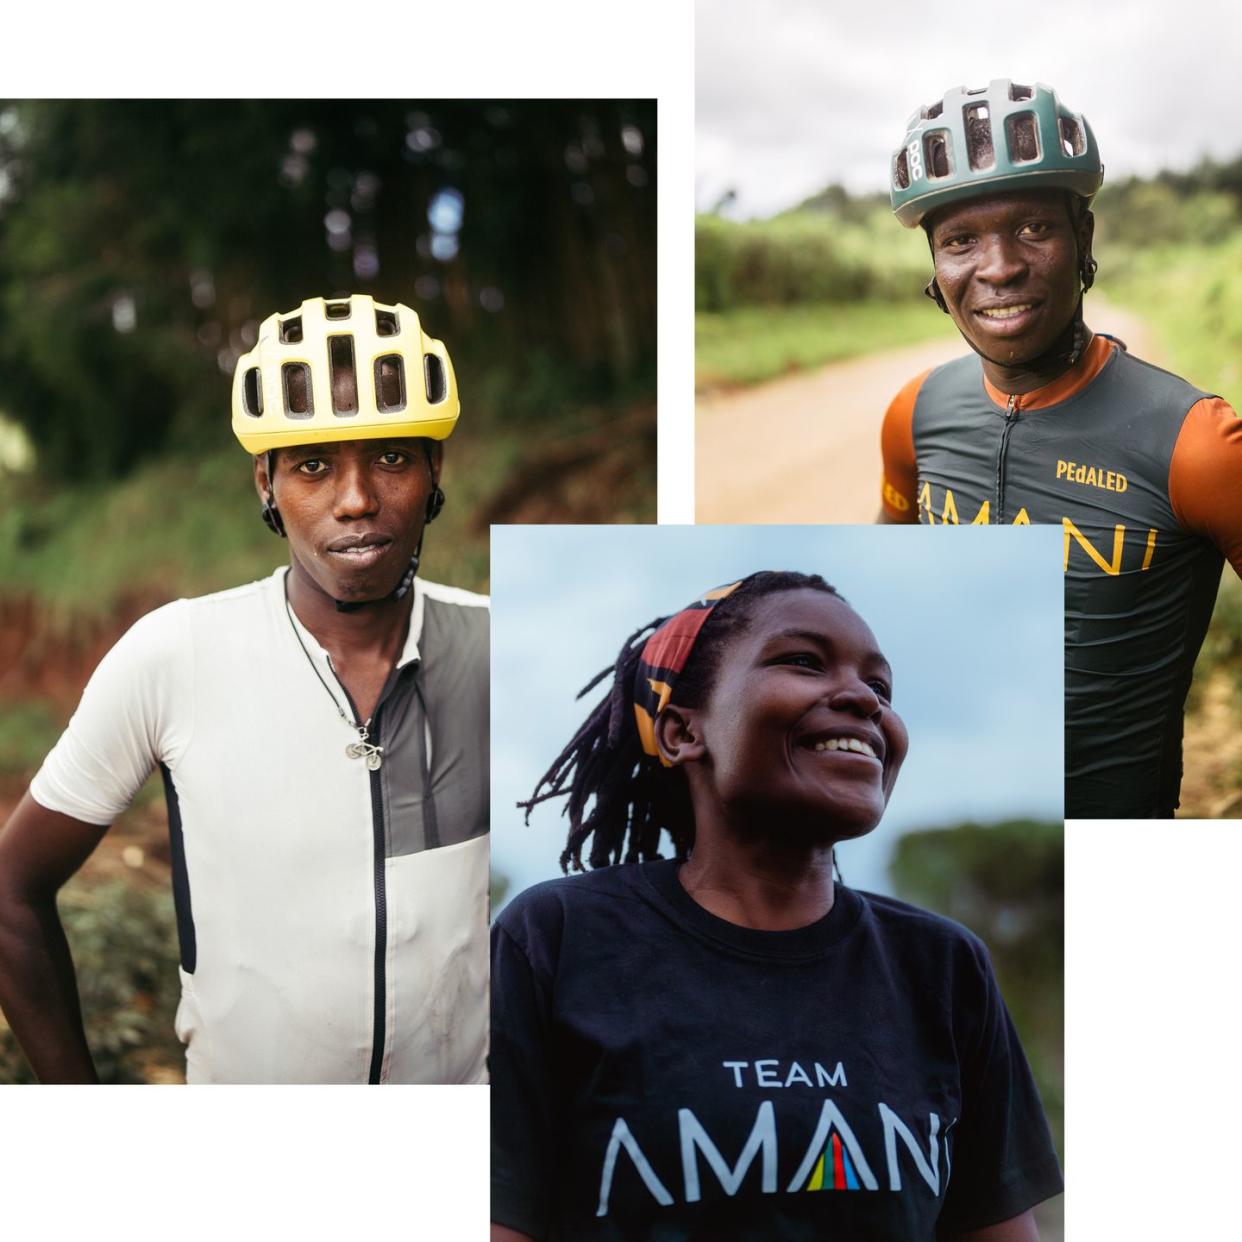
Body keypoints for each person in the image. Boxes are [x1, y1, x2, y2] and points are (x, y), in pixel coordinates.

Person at [0, 294, 488, 1084]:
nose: (356, 497)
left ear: (436, 469)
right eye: (313, 465)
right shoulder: (174, 656)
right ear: (266, 481)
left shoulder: (501, 645)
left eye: (392, 457)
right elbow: (11, 890)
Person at [491, 571, 1062, 1241]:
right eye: (803, 662)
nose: (862, 698)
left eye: (881, 686)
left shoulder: (940, 964)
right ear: (681, 732)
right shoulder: (558, 940)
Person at [878, 79, 1242, 819]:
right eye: (960, 240)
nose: (1000, 266)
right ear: (936, 269)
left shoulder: (1195, 443)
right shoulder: (914, 413)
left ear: (1084, 238)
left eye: (1034, 229)